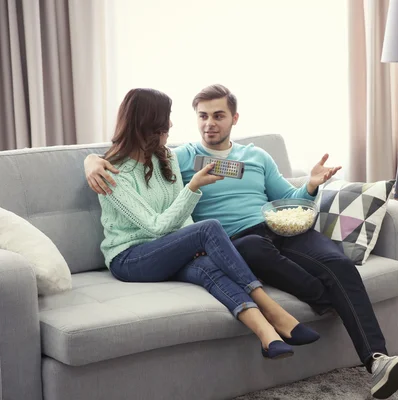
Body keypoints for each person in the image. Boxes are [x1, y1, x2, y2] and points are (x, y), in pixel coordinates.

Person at [85, 84, 398, 399]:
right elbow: (129, 160)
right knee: (253, 249)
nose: (209, 124)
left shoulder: (253, 156)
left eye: (218, 115)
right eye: (202, 116)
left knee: (340, 265)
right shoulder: (183, 157)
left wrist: (312, 186)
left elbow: (288, 197)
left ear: (234, 119)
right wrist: (92, 160)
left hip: (282, 226)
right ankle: (320, 301)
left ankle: (378, 360)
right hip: (239, 241)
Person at [95, 87, 320, 360]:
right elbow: (154, 226)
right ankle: (274, 311)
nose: (171, 124)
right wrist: (193, 189)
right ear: (149, 122)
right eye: (167, 118)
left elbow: (182, 217)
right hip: (130, 258)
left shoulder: (165, 157)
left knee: (207, 268)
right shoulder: (111, 173)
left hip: (167, 249)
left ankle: (268, 336)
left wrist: (193, 245)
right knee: (208, 227)